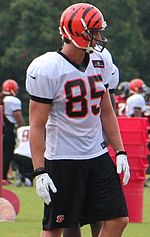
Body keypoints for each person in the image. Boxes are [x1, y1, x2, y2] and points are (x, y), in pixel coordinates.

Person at [26, 3, 130, 237]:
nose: (98, 37)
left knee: (118, 219)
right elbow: (37, 124)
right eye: (92, 31)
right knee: (55, 229)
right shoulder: (47, 67)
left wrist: (120, 151)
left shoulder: (101, 60)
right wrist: (39, 170)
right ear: (75, 32)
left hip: (97, 154)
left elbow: (106, 111)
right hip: (63, 159)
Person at [63, 62, 120, 237]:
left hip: (96, 149)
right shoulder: (57, 66)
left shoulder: (107, 65)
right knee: (70, 217)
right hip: (66, 150)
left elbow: (109, 109)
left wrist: (115, 145)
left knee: (99, 215)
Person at [1, 79, 24, 184]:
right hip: (8, 130)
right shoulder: (13, 100)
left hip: (1, 129)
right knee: (7, 154)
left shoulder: (2, 98)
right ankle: (3, 177)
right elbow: (17, 116)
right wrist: (22, 127)